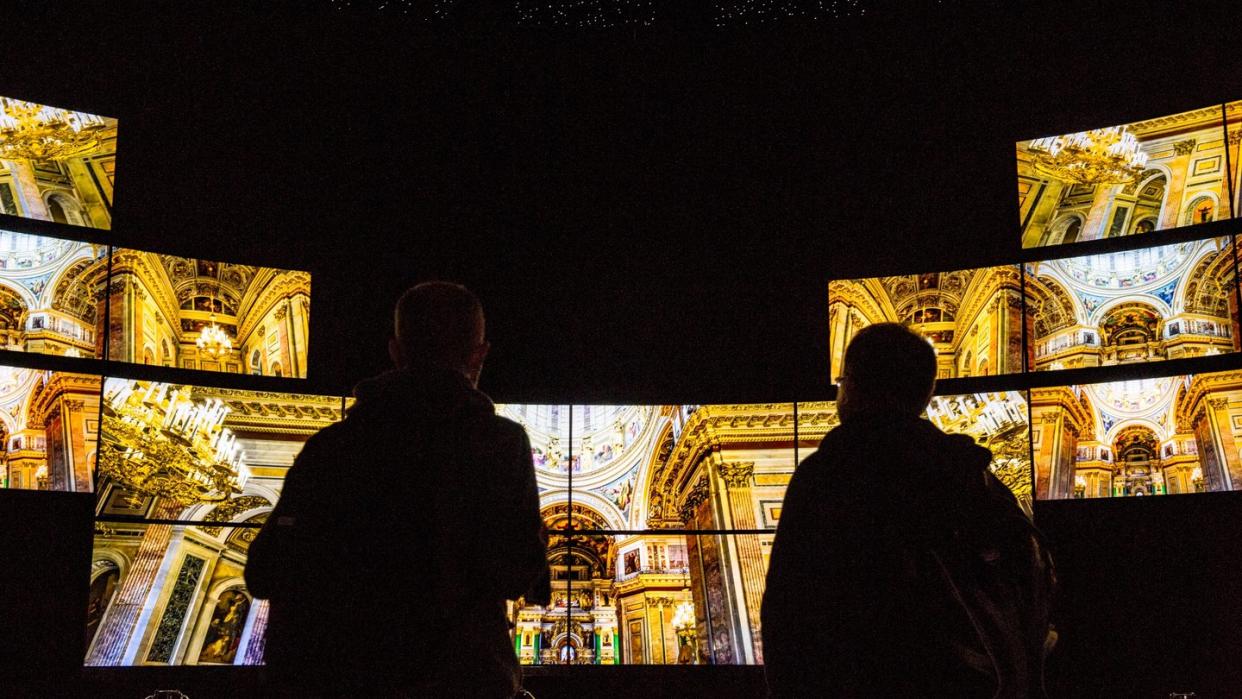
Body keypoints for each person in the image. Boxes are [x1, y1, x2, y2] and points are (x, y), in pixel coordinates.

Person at [246, 281, 549, 697]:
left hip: (342, 680)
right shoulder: (500, 445)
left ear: (395, 351)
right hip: (460, 681)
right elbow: (515, 571)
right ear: (480, 355)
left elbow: (264, 572)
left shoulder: (330, 447)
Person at [762, 323, 1055, 697]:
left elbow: (788, 618)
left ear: (849, 385)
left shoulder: (825, 480)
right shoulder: (973, 478)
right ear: (927, 392)